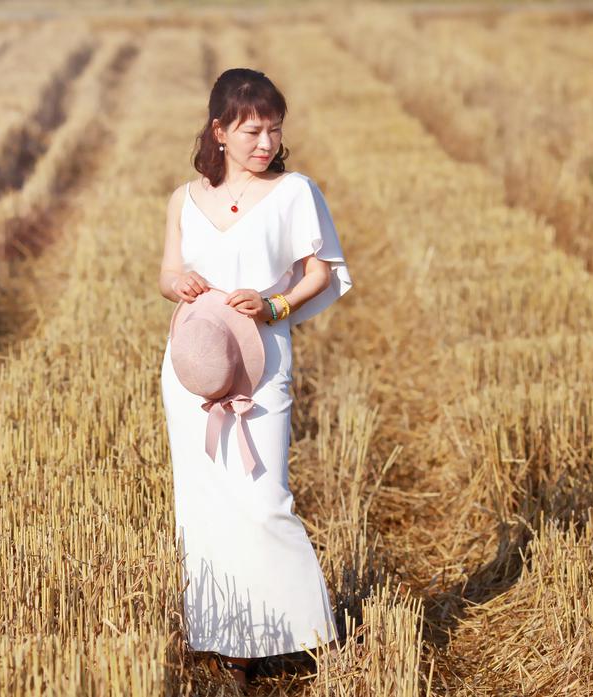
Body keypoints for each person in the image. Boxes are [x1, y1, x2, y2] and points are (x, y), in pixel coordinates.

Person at [157, 67, 353, 688]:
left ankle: (306, 632)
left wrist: (275, 306)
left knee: (266, 500)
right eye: (252, 131)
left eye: (274, 129)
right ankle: (229, 639)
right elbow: (166, 274)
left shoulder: (295, 192)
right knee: (205, 504)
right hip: (195, 367)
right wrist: (180, 284)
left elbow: (320, 272)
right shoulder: (184, 198)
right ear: (219, 131)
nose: (266, 142)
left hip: (262, 361)